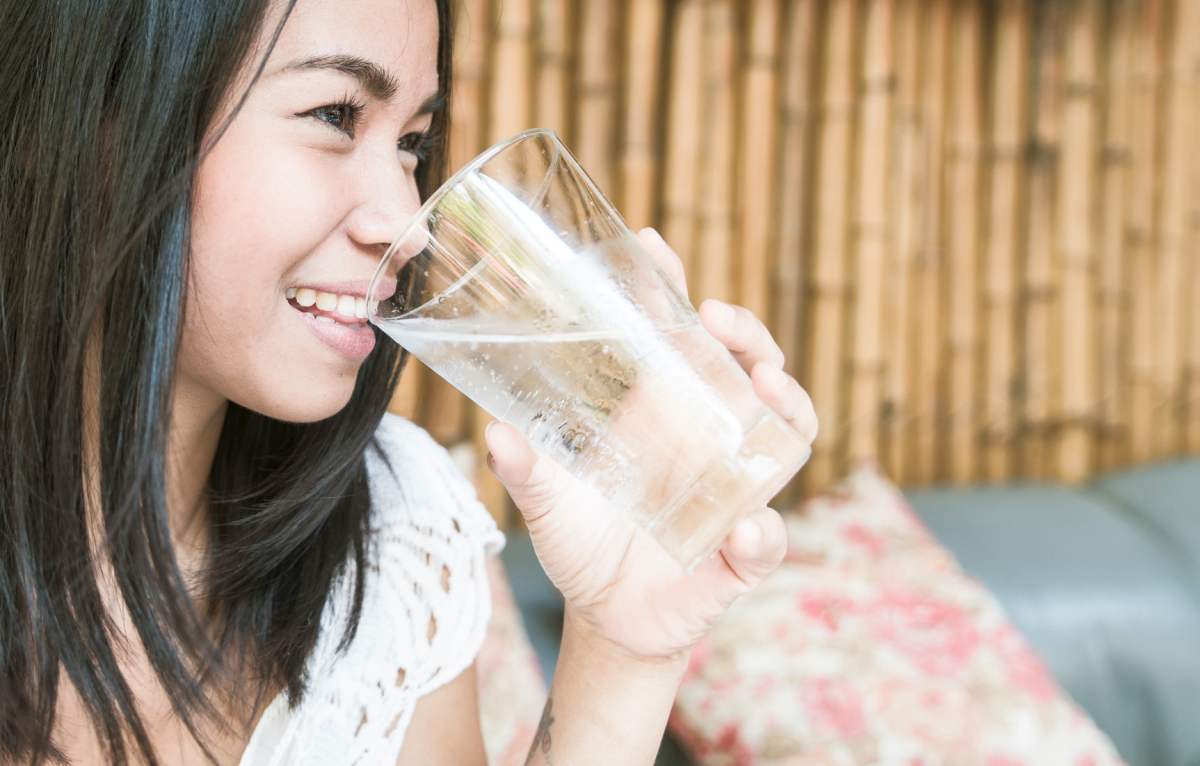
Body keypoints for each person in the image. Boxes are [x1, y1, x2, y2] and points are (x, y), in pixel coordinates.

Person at [0, 0, 819, 763]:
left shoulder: (398, 538)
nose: (405, 218)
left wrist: (620, 653)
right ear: (90, 130)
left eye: (412, 145)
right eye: (333, 116)